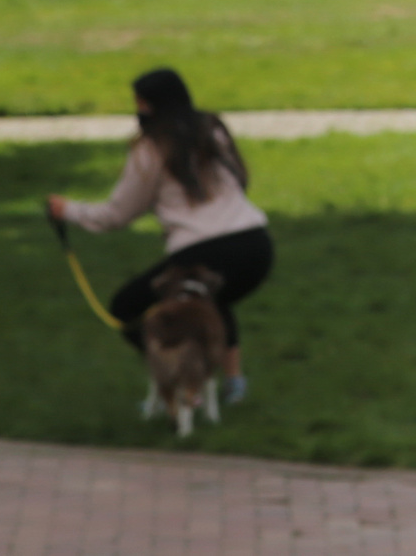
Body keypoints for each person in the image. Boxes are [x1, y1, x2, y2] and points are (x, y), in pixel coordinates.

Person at [48, 67, 275, 410]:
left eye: (139, 104)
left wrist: (67, 211)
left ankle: (185, 383)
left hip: (202, 247)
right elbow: (239, 179)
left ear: (150, 107)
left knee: (127, 307)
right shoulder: (211, 130)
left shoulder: (152, 148)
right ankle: (232, 385)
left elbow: (116, 214)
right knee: (210, 299)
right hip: (256, 245)